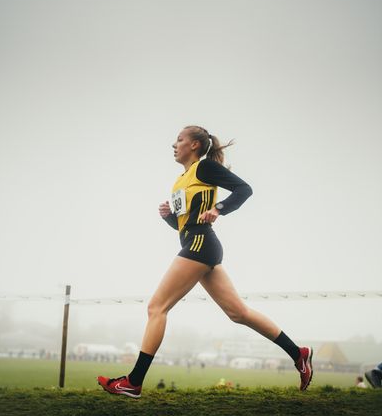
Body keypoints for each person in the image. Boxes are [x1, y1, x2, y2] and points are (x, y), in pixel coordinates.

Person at [98, 125, 313, 398]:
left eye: (179, 139)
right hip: (197, 245)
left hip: (201, 244)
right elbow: (183, 226)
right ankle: (299, 354)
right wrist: (169, 217)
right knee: (239, 313)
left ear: (195, 146)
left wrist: (218, 209)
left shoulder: (203, 168)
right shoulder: (181, 179)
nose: (173, 145)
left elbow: (244, 189)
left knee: (156, 307)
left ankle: (133, 382)